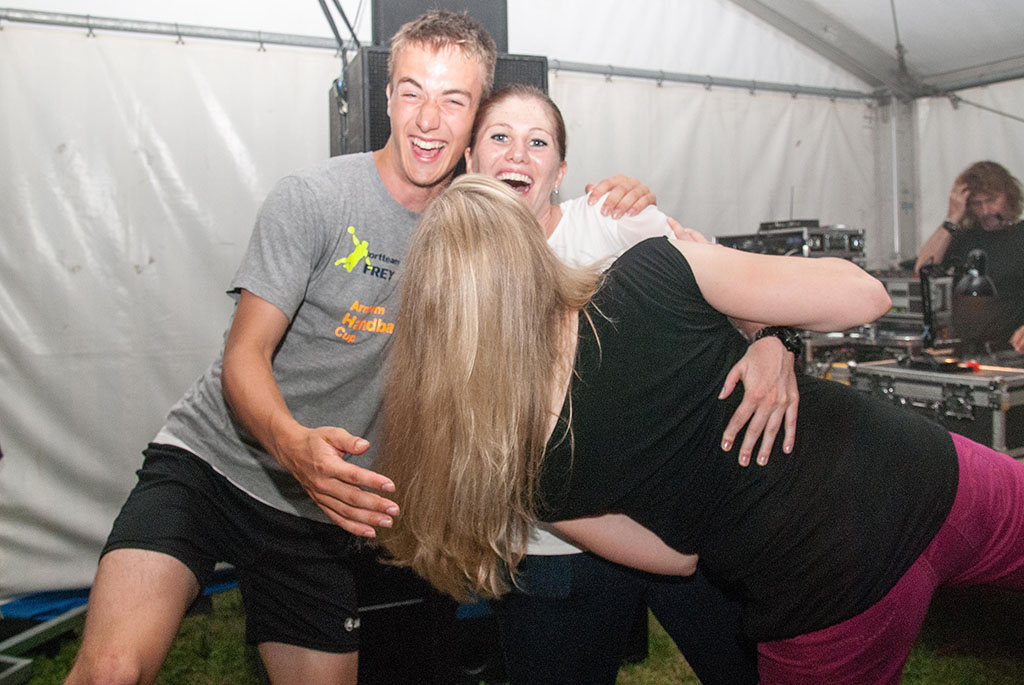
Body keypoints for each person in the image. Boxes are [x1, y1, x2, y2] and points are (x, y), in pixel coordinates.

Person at [63, 11, 666, 684]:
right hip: (213, 465)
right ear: (386, 97)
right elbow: (243, 356)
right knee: (113, 668)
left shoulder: (480, 234)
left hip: (320, 511)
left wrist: (625, 196)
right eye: (412, 92)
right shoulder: (314, 198)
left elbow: (566, 233)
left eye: (454, 100)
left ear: (475, 122)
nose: (428, 119)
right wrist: (293, 445)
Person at [378, 174, 1024, 684]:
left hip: (820, 591)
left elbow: (677, 558)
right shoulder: (652, 271)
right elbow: (865, 296)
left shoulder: (528, 468)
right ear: (531, 252)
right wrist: (738, 298)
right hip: (915, 472)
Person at [462, 84, 802, 683]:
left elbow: (734, 281)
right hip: (554, 552)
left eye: (537, 142)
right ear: (470, 161)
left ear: (560, 171)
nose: (517, 153)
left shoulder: (609, 221)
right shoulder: (454, 272)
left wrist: (774, 341)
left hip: (680, 509)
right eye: (500, 137)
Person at [915, 161, 1024, 353]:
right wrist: (952, 218)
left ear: (1009, 196)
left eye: (992, 200)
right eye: (977, 204)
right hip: (964, 351)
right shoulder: (962, 237)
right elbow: (923, 270)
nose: (986, 211)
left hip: (1010, 351)